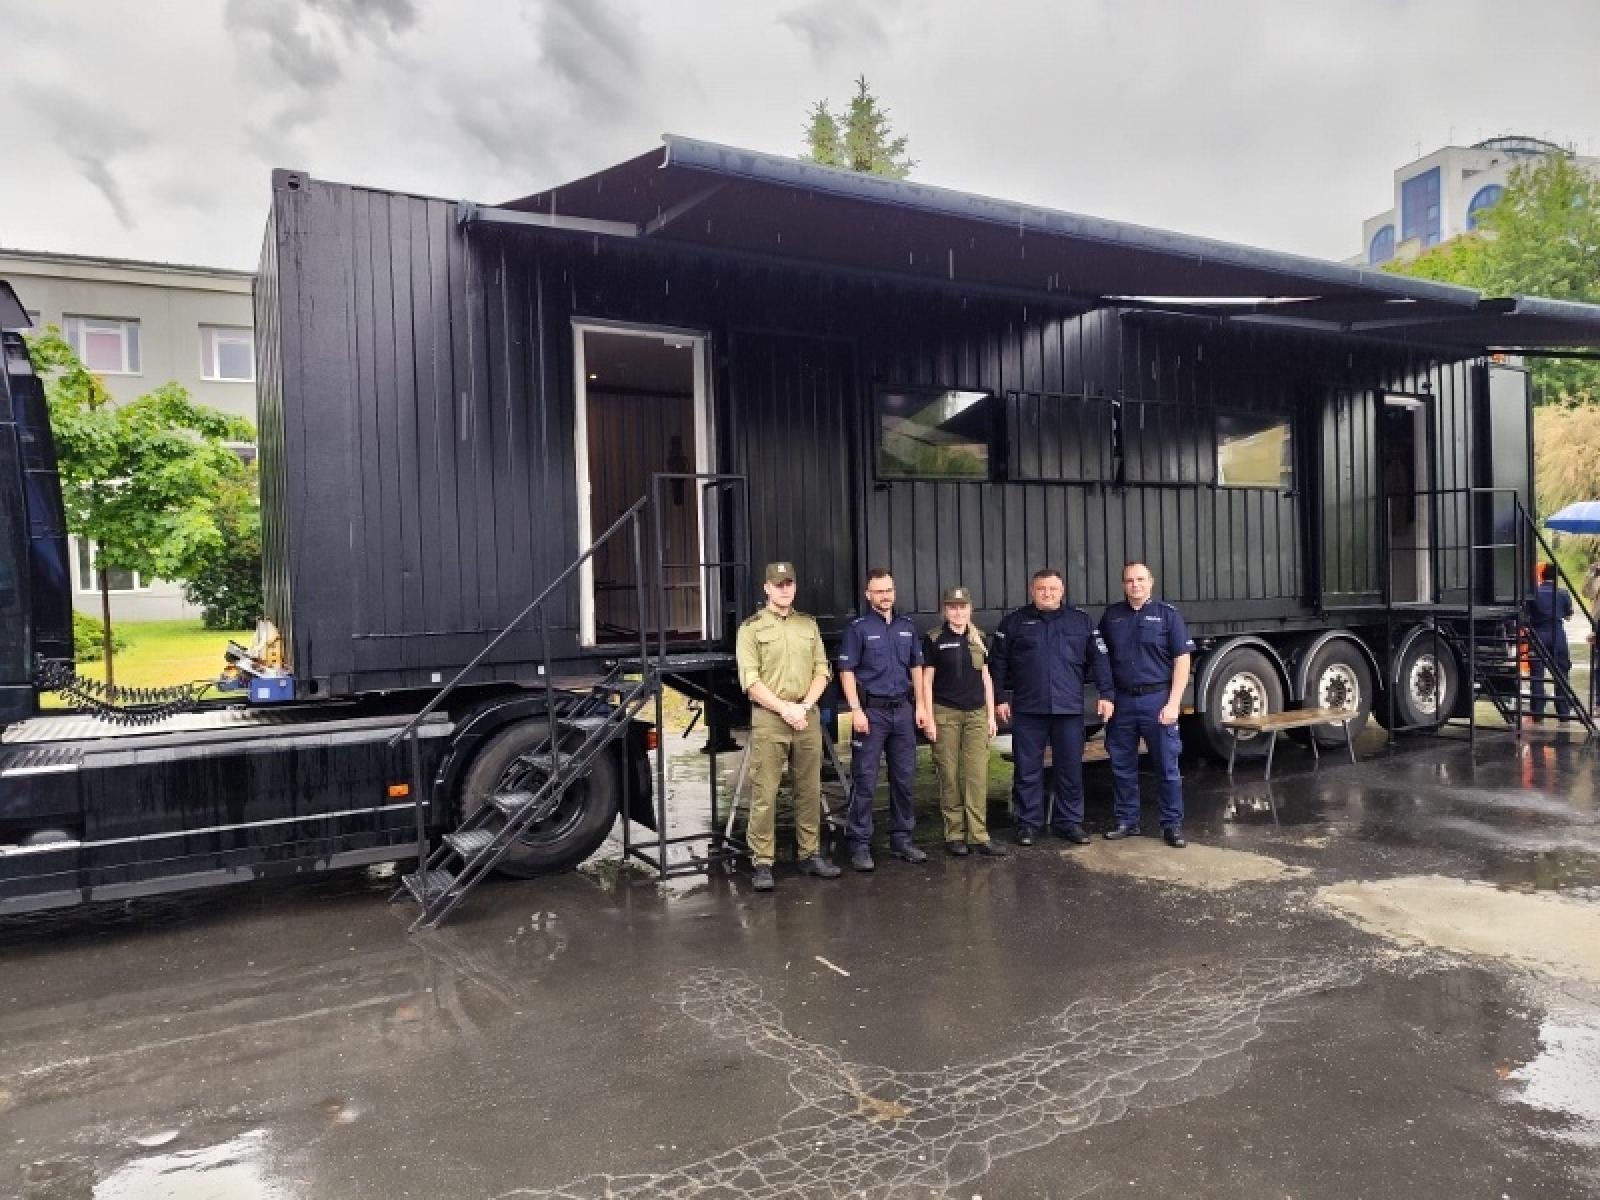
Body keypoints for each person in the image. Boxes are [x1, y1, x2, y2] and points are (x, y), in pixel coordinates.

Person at [734, 562, 843, 892]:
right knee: (765, 793)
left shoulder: (808, 625)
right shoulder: (750, 629)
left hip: (805, 715)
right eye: (778, 584)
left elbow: (822, 670)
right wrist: (785, 709)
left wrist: (804, 707)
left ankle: (809, 854)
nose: (784, 589)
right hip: (771, 717)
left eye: (789, 584)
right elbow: (750, 681)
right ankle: (762, 862)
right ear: (766, 588)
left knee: (809, 789)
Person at [991, 568, 1114, 847]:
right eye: (1041, 589)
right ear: (1031, 591)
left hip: (1068, 709)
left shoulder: (1080, 621)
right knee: (1027, 770)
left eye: (1053, 589)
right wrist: (999, 698)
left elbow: (1100, 660)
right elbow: (997, 664)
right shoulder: (1013, 623)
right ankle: (1027, 824)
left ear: (1062, 591)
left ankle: (1069, 822)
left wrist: (1106, 694)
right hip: (1028, 709)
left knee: (1069, 769)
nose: (1047, 593)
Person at [1097, 562, 1196, 849]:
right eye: (1130, 580)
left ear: (1151, 582)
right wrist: (1107, 696)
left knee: (1166, 766)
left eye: (1140, 579)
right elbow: (1101, 658)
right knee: (1122, 765)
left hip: (1158, 700)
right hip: (1123, 701)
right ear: (1123, 585)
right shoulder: (1112, 616)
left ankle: (1171, 825)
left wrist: (1173, 703)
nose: (1135, 585)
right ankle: (1127, 821)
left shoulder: (1168, 615)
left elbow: (1182, 661)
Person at [837, 569, 929, 871]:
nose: (885, 596)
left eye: (888, 590)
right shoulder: (858, 629)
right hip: (872, 713)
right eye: (879, 591)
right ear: (868, 595)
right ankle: (860, 844)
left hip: (902, 710)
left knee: (904, 778)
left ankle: (902, 839)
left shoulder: (906, 627)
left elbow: (916, 667)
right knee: (865, 779)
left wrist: (921, 706)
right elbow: (846, 671)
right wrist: (856, 710)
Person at [919, 585, 1006, 859]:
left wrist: (990, 715)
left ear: (970, 609)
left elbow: (986, 678)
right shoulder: (934, 638)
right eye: (952, 607)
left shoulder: (979, 637)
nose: (958, 612)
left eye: (962, 607)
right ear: (945, 610)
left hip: (976, 714)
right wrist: (929, 717)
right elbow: (926, 681)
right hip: (945, 713)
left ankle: (979, 835)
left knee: (977, 776)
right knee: (949, 775)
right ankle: (955, 834)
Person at [1526, 562, 1574, 721]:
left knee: (1537, 674)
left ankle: (1537, 712)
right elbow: (1568, 616)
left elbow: (1526, 615)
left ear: (1542, 575)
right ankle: (1563, 712)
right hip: (1557, 634)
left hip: (1537, 634)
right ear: (1557, 577)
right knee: (1561, 672)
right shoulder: (1562, 593)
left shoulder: (1534, 593)